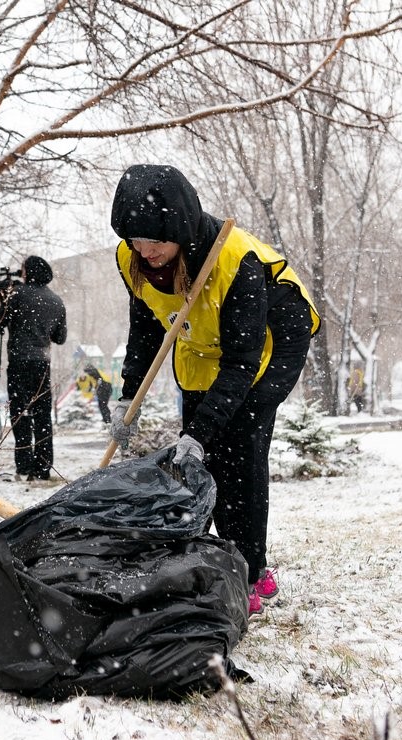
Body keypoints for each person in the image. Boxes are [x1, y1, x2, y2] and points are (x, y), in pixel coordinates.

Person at [108, 164, 319, 617]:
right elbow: (145, 328)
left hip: (267, 351)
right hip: (202, 351)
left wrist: (200, 433)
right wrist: (128, 398)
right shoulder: (134, 260)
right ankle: (216, 559)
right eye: (135, 240)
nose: (145, 251)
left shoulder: (233, 261)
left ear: (180, 232)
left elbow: (242, 363)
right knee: (202, 465)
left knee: (240, 456)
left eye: (156, 242)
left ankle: (252, 572)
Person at [0, 256, 67, 482]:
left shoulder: (17, 295)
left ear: (29, 271)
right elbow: (60, 338)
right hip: (42, 364)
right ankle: (43, 467)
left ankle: (24, 466)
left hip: (19, 362)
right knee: (43, 416)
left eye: (23, 269)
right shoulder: (56, 301)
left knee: (20, 414)